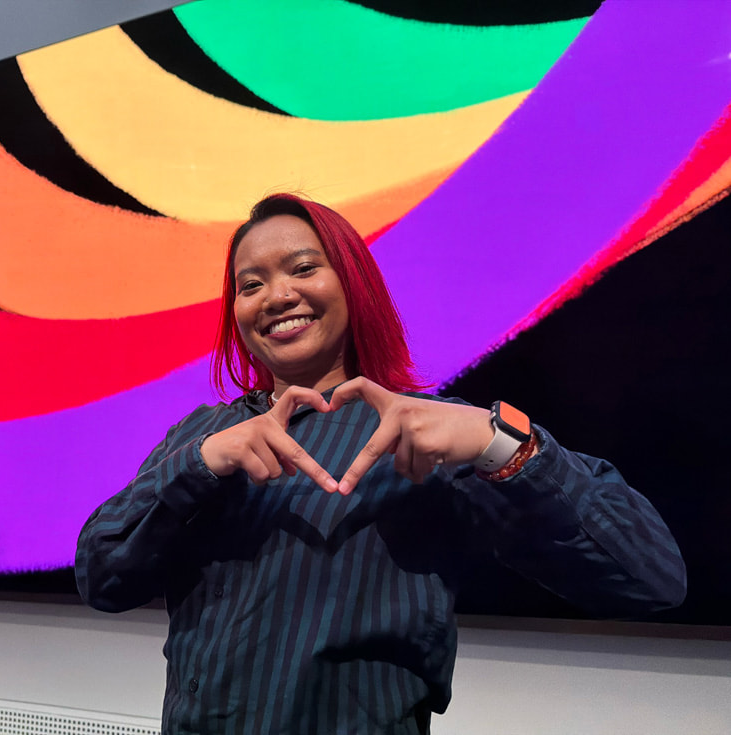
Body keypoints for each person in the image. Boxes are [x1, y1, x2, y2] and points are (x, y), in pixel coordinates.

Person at [74, 193, 686, 734]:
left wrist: (498, 440)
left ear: (353, 283)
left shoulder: (432, 434)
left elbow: (648, 578)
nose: (277, 295)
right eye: (250, 284)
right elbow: (102, 576)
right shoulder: (202, 435)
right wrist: (201, 465)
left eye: (303, 268)